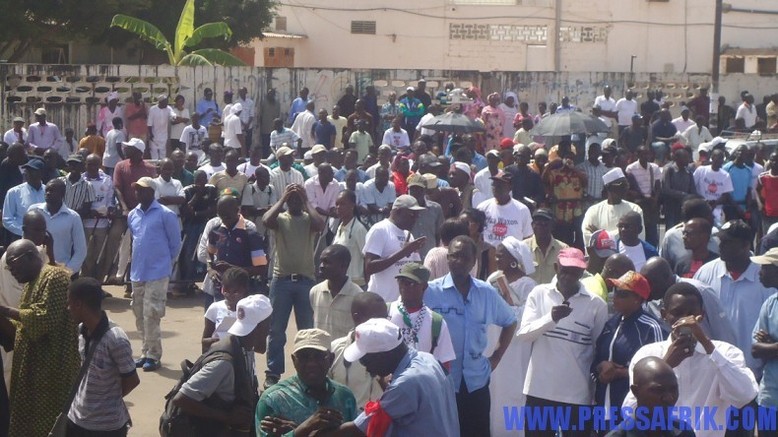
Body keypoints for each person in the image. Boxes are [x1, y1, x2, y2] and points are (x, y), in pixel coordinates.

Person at [622, 282, 758, 437]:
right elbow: (629, 410)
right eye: (677, 313)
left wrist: (707, 345)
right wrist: (665, 365)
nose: (685, 320)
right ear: (664, 314)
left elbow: (744, 395)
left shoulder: (726, 352)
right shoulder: (647, 355)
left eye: (691, 314)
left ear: (702, 315)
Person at [424, 235, 517, 436]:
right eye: (454, 256)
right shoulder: (430, 292)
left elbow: (510, 321)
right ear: (447, 258)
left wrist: (497, 357)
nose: (458, 261)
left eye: (464, 257)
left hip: (477, 381)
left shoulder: (486, 293)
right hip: (442, 383)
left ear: (474, 261)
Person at [519, 247, 608, 437]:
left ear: (582, 272)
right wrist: (550, 319)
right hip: (540, 390)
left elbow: (597, 348)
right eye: (564, 270)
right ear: (555, 267)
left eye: (575, 272)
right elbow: (525, 334)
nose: (568, 276)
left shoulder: (597, 305)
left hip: (578, 394)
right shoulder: (539, 293)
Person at [322, 317, 460, 437]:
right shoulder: (428, 359)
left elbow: (360, 429)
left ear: (382, 355)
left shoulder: (406, 383)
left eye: (365, 361)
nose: (368, 369)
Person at [0, 239, 79, 437]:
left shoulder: (55, 277)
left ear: (30, 256)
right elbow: (24, 325)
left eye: (13, 264)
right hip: (34, 372)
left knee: (49, 427)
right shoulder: (31, 283)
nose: (11, 271)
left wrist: (5, 310)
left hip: (53, 371)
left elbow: (43, 318)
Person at [172, 294, 272, 436]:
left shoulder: (244, 347)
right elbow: (182, 399)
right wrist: (227, 417)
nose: (270, 329)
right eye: (268, 323)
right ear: (261, 326)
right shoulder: (224, 363)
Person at [694, 219, 774, 376]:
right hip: (713, 369)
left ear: (745, 245)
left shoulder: (765, 277)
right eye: (720, 241)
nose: (720, 246)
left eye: (727, 242)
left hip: (754, 372)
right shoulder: (705, 273)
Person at [263, 184, 325, 387]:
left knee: (307, 330)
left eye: (298, 199)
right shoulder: (281, 219)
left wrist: (306, 199)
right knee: (276, 330)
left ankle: (309, 370)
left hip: (306, 280)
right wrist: (282, 199)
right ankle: (273, 372)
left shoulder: (308, 220)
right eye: (293, 199)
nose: (296, 202)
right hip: (281, 280)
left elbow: (321, 224)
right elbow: (266, 220)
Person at [65, 277, 139, 437]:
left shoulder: (116, 339)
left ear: (78, 304)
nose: (67, 308)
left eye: (69, 303)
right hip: (76, 419)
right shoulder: (81, 330)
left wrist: (106, 401)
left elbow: (132, 380)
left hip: (105, 428)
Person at [591, 271, 666, 426]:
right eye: (615, 291)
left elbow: (660, 373)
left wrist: (619, 372)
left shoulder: (651, 327)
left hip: (632, 411)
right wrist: (602, 367)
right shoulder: (611, 323)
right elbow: (596, 359)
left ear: (638, 299)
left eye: (622, 294)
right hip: (602, 407)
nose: (615, 297)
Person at [256, 329, 357, 436]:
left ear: (331, 359)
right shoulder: (273, 400)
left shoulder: (345, 397)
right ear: (294, 360)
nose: (311, 364)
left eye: (318, 356)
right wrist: (306, 428)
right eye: (303, 357)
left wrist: (299, 430)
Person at [128, 177, 182, 372]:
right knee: (138, 312)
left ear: (152, 192)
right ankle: (144, 351)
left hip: (157, 272)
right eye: (137, 190)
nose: (138, 193)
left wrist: (165, 263)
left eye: (142, 190)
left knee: (152, 313)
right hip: (138, 271)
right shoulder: (133, 214)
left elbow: (175, 243)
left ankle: (154, 355)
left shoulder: (165, 214)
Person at [485, 236, 537, 437]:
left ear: (514, 259)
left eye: (501, 257)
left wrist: (507, 302)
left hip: (516, 346)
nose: (497, 260)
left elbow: (526, 315)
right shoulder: (491, 280)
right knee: (494, 389)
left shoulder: (528, 285)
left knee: (514, 389)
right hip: (493, 340)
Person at [199, 194, 268, 305]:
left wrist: (233, 270)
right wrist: (211, 269)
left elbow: (261, 268)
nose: (224, 220)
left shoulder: (250, 234)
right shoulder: (215, 231)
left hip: (244, 293)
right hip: (221, 291)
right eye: (221, 216)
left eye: (228, 216)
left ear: (237, 210)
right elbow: (209, 253)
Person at [329, 292, 387, 411]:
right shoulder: (334, 349)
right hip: (341, 424)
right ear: (356, 317)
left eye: (385, 318)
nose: (382, 323)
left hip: (378, 424)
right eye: (376, 318)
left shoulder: (392, 352)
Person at [605, 357, 693, 437]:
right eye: (659, 390)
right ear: (636, 391)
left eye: (673, 389)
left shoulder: (684, 432)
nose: (669, 398)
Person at [388, 262, 455, 366]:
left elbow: (445, 363)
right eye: (401, 281)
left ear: (424, 287)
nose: (404, 286)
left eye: (411, 283)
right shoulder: (386, 312)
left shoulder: (436, 322)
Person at [363, 195, 426, 303]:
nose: (415, 219)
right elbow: (369, 267)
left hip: (401, 305)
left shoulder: (408, 235)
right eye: (411, 214)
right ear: (397, 212)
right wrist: (404, 252)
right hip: (381, 301)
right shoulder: (380, 230)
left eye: (417, 215)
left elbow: (415, 267)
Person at [29, 178, 88, 275]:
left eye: (51, 190)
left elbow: (81, 250)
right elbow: (25, 239)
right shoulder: (34, 212)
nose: (47, 193)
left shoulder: (73, 217)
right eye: (47, 190)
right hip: (34, 271)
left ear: (62, 194)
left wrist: (67, 272)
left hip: (59, 272)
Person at [310, 244, 363, 340]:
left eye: (327, 262)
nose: (321, 266)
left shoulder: (357, 296)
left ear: (343, 266)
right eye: (321, 261)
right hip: (321, 352)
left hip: (344, 352)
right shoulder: (315, 292)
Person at [751, 247, 778, 437]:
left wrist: (771, 345)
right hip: (770, 398)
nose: (760, 272)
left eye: (765, 267)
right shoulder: (770, 303)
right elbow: (755, 349)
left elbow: (765, 348)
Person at [582, 167, 645, 246]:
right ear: (609, 187)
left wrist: (600, 235)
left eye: (626, 185)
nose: (625, 188)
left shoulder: (635, 209)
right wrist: (617, 235)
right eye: (621, 185)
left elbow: (636, 237)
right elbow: (587, 236)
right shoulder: (593, 210)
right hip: (600, 257)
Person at [477, 171, 533, 249]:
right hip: (489, 256)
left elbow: (528, 237)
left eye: (500, 185)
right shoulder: (482, 208)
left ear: (510, 187)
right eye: (494, 184)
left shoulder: (522, 210)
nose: (496, 187)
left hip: (513, 257)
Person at [201, 267, 251, 352]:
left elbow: (258, 347)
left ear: (245, 291)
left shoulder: (249, 310)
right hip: (219, 354)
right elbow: (204, 341)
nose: (229, 295)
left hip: (242, 358)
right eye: (226, 290)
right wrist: (217, 341)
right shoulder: (215, 308)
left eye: (235, 292)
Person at [2, 157, 46, 239]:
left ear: (41, 173)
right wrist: (25, 232)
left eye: (31, 170)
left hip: (44, 238)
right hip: (20, 238)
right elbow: (7, 219)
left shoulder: (48, 192)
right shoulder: (14, 192)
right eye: (26, 170)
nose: (26, 173)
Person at [333, 190, 369, 287]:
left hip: (356, 284)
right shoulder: (339, 227)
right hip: (341, 283)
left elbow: (367, 257)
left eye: (342, 204)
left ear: (352, 205)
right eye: (337, 204)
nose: (338, 207)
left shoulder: (359, 229)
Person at [626, 146, 661, 246]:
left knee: (652, 232)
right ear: (638, 155)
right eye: (643, 154)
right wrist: (640, 196)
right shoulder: (631, 168)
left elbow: (658, 186)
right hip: (639, 203)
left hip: (651, 204)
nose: (646, 156)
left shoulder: (654, 168)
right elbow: (629, 188)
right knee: (640, 231)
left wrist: (655, 200)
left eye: (647, 154)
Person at [525, 208, 569, 285]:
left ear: (552, 226)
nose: (541, 227)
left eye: (545, 223)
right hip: (529, 295)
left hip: (554, 295)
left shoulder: (563, 249)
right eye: (537, 223)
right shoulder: (523, 247)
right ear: (532, 225)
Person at [146, 95, 175, 160]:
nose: (167, 104)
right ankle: (155, 168)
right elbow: (149, 123)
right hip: (154, 135)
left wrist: (173, 117)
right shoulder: (153, 109)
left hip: (164, 136)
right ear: (160, 102)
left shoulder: (168, 108)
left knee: (163, 153)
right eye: (165, 102)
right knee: (154, 153)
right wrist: (151, 134)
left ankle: (162, 168)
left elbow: (172, 114)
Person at [757, 151, 778, 235]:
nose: (775, 162)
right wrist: (760, 204)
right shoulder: (762, 177)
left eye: (777, 160)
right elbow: (757, 190)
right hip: (768, 215)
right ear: (769, 161)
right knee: (768, 239)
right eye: (773, 160)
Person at [259, 89, 281, 156]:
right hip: (265, 129)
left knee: (275, 146)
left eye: (272, 94)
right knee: (265, 146)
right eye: (269, 94)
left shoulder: (277, 103)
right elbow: (260, 115)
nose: (270, 95)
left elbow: (278, 115)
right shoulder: (263, 103)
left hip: (275, 130)